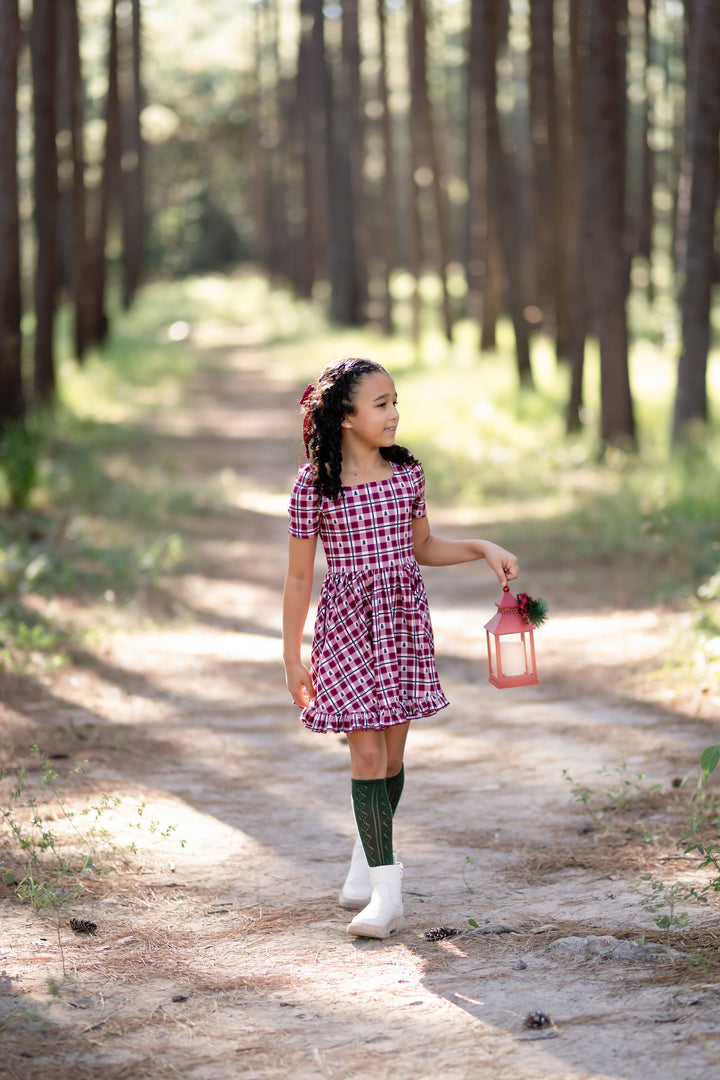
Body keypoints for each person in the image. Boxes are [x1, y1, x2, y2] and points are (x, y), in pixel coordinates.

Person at [282, 357, 519, 939]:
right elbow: (297, 579)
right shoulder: (314, 486)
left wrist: (482, 547)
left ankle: (368, 857)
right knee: (364, 756)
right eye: (380, 404)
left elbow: (424, 548)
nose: (393, 414)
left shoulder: (406, 474)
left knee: (389, 760)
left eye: (395, 402)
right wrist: (292, 656)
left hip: (401, 625)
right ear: (344, 416)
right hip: (345, 628)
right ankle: (389, 898)